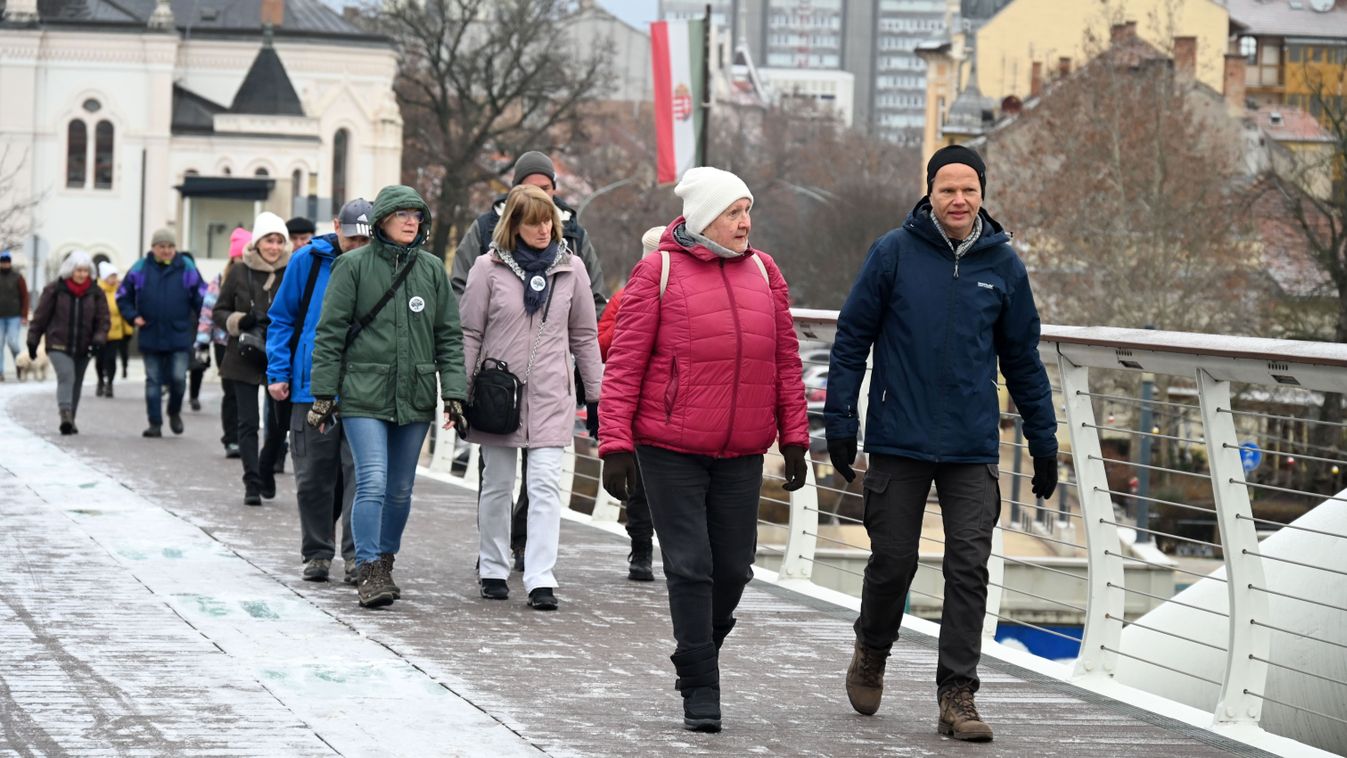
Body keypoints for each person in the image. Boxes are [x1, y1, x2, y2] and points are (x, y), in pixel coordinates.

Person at [825, 145, 1058, 742]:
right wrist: (841, 421)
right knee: (893, 561)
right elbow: (851, 339)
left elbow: (1023, 360)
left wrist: (1044, 439)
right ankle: (872, 649)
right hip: (898, 437)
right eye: (948, 189)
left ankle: (957, 695)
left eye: (969, 190)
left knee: (969, 566)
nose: (959, 200)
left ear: (983, 195)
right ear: (929, 193)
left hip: (970, 444)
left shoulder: (1003, 265)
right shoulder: (893, 252)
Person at [599, 167, 810, 732]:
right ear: (704, 218)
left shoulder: (764, 272)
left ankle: (697, 652)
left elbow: (785, 361)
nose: (745, 223)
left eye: (747, 211)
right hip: (669, 446)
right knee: (690, 566)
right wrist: (615, 443)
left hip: (742, 449)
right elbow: (624, 364)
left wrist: (794, 437)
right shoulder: (658, 270)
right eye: (733, 212)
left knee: (734, 568)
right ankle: (701, 686)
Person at [451, 151, 610, 573]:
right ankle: (493, 565)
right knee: (497, 484)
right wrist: (458, 393)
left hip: (551, 393)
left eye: (549, 222)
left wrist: (597, 396)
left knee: (544, 485)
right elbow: (470, 332)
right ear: (514, 225)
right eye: (534, 222)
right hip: (497, 394)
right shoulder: (487, 268)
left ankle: (540, 574)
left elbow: (585, 334)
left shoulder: (572, 268)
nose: (544, 230)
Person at [309, 185, 467, 609]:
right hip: (364, 392)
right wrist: (324, 393)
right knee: (373, 480)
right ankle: (368, 567)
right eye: (402, 214)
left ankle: (385, 560)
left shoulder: (431, 270)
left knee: (400, 488)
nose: (411, 221)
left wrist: (454, 393)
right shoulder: (352, 266)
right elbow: (330, 333)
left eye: (417, 215)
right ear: (382, 220)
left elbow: (448, 337)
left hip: (415, 392)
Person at [267, 198, 372, 584]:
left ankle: (358, 556)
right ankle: (316, 552)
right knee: (312, 475)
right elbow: (282, 318)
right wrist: (278, 371)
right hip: (309, 387)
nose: (358, 246)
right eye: (352, 238)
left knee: (360, 476)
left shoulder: (378, 265)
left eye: (365, 240)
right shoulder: (307, 261)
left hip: (362, 388)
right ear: (335, 227)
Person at [592, 225, 664, 582]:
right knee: (640, 483)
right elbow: (601, 346)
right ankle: (642, 549)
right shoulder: (626, 297)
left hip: (665, 402)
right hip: (638, 402)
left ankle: (646, 551)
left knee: (652, 484)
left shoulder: (684, 293)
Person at [214, 212, 291, 506]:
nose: (274, 247)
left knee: (279, 424)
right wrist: (239, 320)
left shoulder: (292, 269)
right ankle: (252, 482)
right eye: (269, 240)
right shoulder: (238, 271)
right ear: (257, 242)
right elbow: (219, 311)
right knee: (247, 422)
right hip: (244, 354)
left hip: (279, 355)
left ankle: (266, 467)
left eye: (279, 241)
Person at [118, 228, 206, 438]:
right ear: (153, 248)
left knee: (178, 379)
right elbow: (122, 295)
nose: (166, 250)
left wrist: (204, 323)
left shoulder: (186, 267)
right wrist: (132, 316)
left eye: (170, 246)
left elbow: (201, 296)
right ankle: (155, 423)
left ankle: (174, 411)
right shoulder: (140, 268)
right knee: (153, 381)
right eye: (162, 246)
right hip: (150, 332)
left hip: (179, 334)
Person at [27, 251, 109, 434]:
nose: (82, 274)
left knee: (77, 382)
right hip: (58, 343)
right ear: (70, 270)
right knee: (67, 376)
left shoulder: (96, 293)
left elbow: (103, 319)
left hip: (85, 345)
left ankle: (71, 419)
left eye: (85, 271)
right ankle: (65, 414)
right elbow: (41, 316)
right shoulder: (55, 289)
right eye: (78, 270)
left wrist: (99, 339)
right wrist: (33, 340)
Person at [200, 228, 248, 458]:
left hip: (250, 342)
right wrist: (202, 342)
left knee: (245, 392)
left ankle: (244, 436)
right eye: (240, 256)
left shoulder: (256, 278)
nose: (243, 261)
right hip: (223, 342)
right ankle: (231, 438)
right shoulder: (219, 280)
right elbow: (207, 312)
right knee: (230, 391)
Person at [94, 262, 130, 399]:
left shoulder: (119, 292)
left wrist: (128, 330)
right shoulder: (97, 291)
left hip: (115, 332)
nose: (114, 279)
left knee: (111, 359)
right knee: (99, 360)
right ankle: (100, 381)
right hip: (99, 332)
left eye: (115, 276)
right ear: (104, 277)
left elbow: (124, 312)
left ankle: (109, 384)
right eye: (111, 276)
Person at [0, 250, 30, 381]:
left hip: (14, 315)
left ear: (10, 263)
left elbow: (25, 296)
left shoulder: (18, 277)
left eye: (7, 262)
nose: (5, 264)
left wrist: (24, 315)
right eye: (2, 262)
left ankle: (20, 365)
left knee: (13, 342)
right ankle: (0, 372)